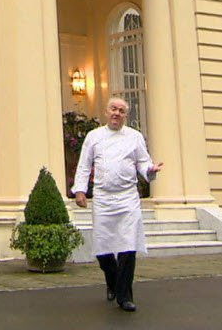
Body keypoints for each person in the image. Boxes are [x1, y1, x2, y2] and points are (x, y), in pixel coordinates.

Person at [71, 97, 163, 312]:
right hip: (103, 198)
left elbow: (142, 161)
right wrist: (80, 190)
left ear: (125, 115)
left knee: (128, 247)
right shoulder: (94, 137)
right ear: (106, 111)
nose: (117, 113)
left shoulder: (135, 137)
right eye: (113, 109)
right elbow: (84, 165)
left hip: (128, 198)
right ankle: (112, 282)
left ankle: (124, 296)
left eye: (121, 111)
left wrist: (150, 170)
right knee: (103, 249)